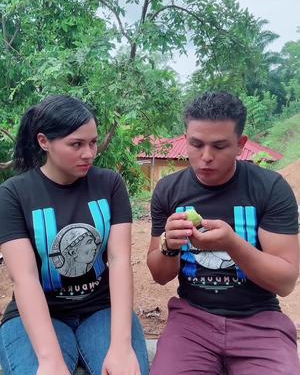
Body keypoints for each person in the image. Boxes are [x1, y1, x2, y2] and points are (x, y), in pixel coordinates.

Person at [147, 91, 300, 375]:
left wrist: (232, 243)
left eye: (219, 146)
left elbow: (285, 282)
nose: (206, 157)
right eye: (196, 144)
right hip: (192, 321)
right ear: (186, 139)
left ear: (241, 145)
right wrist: (169, 244)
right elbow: (159, 275)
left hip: (259, 322)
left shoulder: (269, 188)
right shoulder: (169, 190)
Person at [0, 95, 149, 375]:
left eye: (92, 142)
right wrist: (49, 359)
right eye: (76, 144)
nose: (89, 154)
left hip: (102, 310)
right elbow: (25, 278)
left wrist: (120, 346)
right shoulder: (14, 194)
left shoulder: (110, 184)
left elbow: (118, 261)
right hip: (39, 314)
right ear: (44, 142)